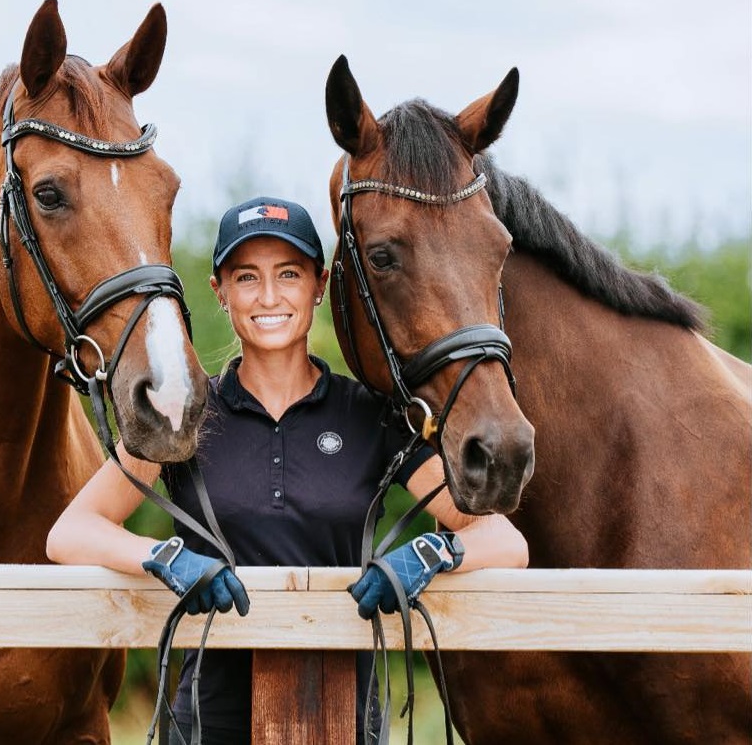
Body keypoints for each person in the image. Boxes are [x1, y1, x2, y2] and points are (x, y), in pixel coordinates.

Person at [46, 195, 529, 744]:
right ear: (219, 292)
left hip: (343, 721)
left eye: (289, 274)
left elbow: (506, 541)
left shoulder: (370, 416)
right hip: (207, 727)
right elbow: (71, 533)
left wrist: (431, 552)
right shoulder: (182, 414)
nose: (269, 296)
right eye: (247, 277)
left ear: (319, 286)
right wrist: (162, 557)